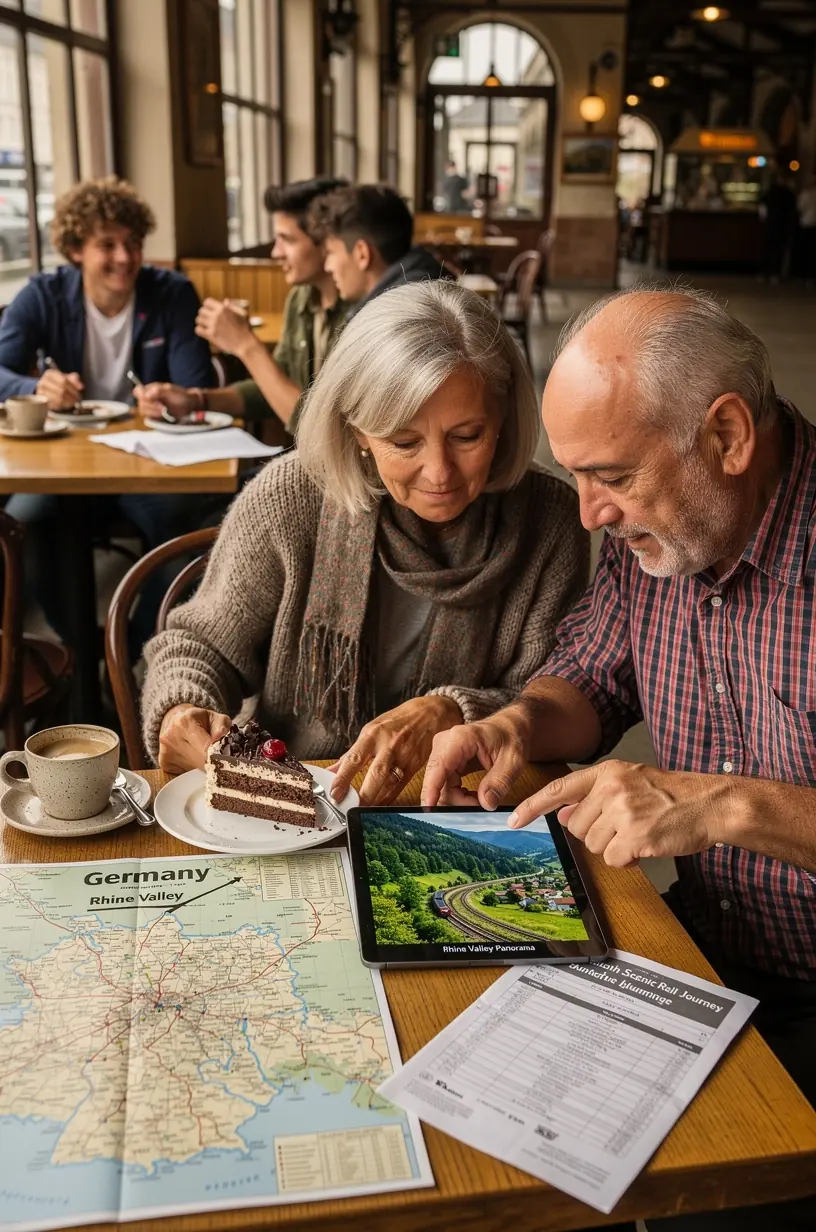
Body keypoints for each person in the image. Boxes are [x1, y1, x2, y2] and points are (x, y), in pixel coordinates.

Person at [422, 286, 816, 1231]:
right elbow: (587, 680)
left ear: (726, 435)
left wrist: (722, 805)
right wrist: (515, 727)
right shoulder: (670, 532)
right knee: (480, 1114)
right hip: (706, 952)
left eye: (612, 478)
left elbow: (716, 803)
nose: (590, 514)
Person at [141, 281, 589, 804]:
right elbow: (201, 644)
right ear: (356, 431)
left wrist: (454, 710)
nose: (439, 472)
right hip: (296, 798)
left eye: (467, 435)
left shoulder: (552, 520)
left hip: (459, 802)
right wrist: (180, 711)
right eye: (404, 442)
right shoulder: (292, 497)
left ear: (504, 421)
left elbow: (558, 698)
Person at [0, 176, 214, 647]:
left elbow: (196, 383)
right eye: (108, 245)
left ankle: (127, 647)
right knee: (24, 525)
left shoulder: (172, 293)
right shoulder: (43, 295)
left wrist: (169, 393)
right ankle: (81, 651)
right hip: (62, 462)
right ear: (77, 249)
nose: (125, 257)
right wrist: (34, 386)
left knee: (189, 531)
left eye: (134, 243)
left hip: (148, 459)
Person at [136, 177, 349, 437]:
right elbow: (272, 386)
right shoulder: (301, 298)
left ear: (326, 241)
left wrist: (245, 345)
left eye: (288, 240)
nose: (276, 252)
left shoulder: (362, 313)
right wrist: (196, 400)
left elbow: (321, 432)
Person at [308, 184, 451, 318]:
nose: (327, 266)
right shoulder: (425, 296)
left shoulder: (393, 320)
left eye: (331, 252)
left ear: (362, 254)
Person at [797, 179, 816, 285]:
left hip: (806, 223)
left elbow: (800, 207)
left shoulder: (807, 194)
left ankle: (804, 275)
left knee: (805, 252)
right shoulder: (807, 193)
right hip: (810, 224)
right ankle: (811, 276)